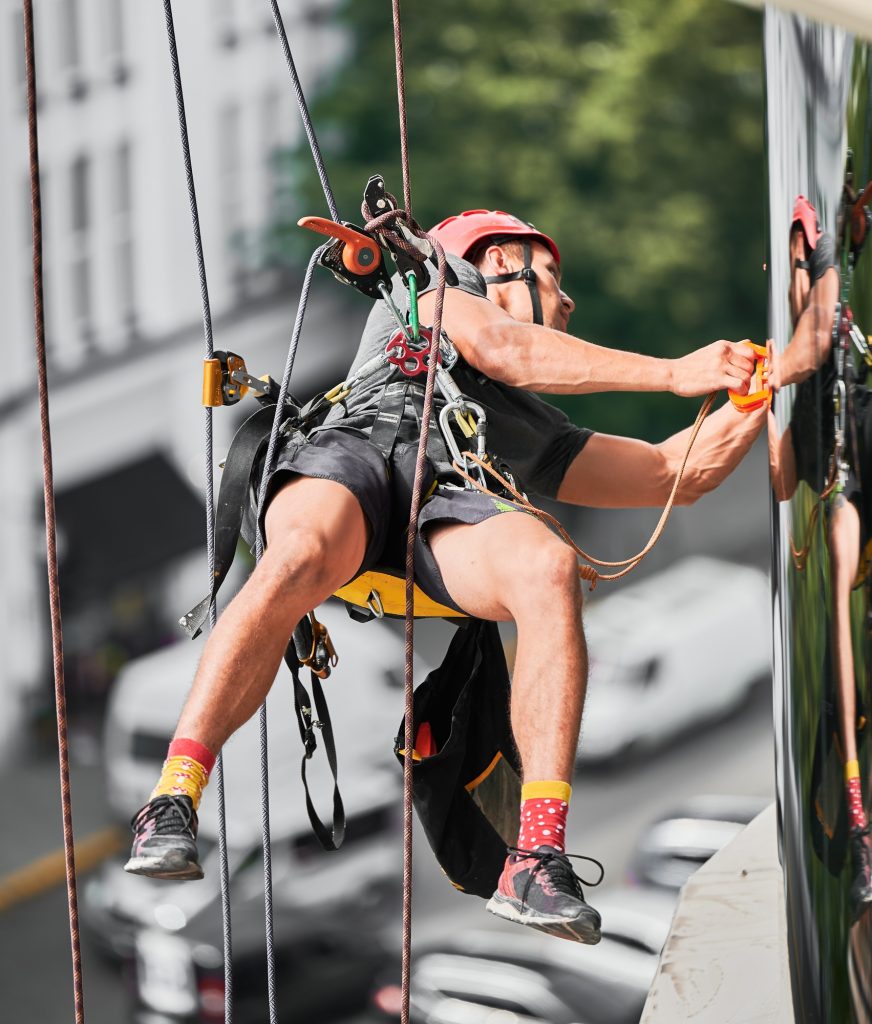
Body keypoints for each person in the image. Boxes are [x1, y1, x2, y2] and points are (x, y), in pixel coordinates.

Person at [125, 209, 763, 943]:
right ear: (494, 266)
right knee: (299, 555)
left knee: (548, 566)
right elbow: (504, 346)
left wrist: (754, 393)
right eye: (553, 279)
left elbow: (670, 474)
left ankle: (536, 854)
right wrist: (679, 372)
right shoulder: (433, 293)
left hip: (437, 511)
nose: (569, 302)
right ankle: (173, 800)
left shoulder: (530, 430)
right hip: (355, 459)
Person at [768, 195, 872, 919]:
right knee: (839, 566)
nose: (800, 276)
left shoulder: (834, 321)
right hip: (848, 479)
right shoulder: (811, 363)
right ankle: (859, 814)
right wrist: (759, 394)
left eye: (803, 262)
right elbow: (786, 477)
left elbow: (821, 321)